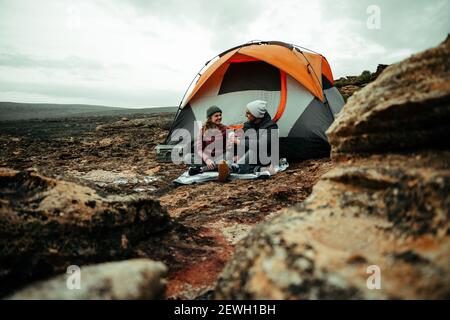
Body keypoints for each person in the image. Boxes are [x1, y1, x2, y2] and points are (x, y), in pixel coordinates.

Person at [217, 100, 278, 182]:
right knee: (230, 148)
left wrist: (239, 142)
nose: (246, 115)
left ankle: (233, 168)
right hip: (249, 157)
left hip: (265, 156)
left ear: (256, 114)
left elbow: (262, 145)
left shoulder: (271, 127)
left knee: (253, 149)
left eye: (248, 113)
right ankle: (259, 169)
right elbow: (241, 137)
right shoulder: (249, 124)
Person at [188, 105, 228, 175]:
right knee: (188, 157)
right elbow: (199, 149)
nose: (219, 117)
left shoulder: (225, 129)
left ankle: (201, 169)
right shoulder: (203, 130)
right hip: (206, 158)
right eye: (216, 116)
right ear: (210, 118)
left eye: (220, 115)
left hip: (220, 157)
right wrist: (207, 159)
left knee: (226, 158)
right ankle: (215, 167)